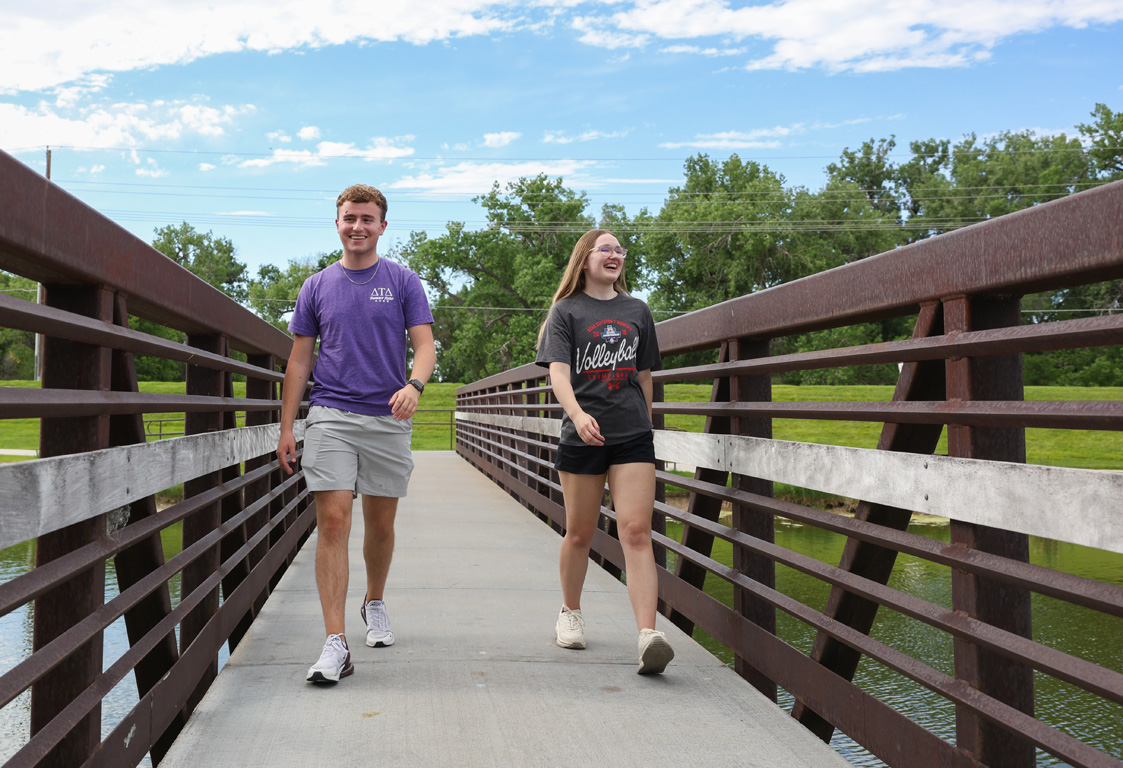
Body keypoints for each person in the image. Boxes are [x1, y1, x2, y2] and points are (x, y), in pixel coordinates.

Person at [276, 184, 435, 684]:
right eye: (350, 218)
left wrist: (415, 384)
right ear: (338, 223)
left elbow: (426, 346)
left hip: (388, 417)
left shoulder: (403, 281)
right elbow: (300, 358)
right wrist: (287, 426)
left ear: (382, 226)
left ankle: (375, 601)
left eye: (368, 219)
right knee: (335, 521)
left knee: (381, 526)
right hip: (331, 414)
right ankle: (335, 643)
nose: (358, 227)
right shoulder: (317, 286)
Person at [534, 228, 674, 675]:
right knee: (580, 531)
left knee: (636, 531)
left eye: (620, 250)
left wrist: (644, 424)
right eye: (605, 249)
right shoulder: (566, 311)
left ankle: (648, 636)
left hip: (632, 436)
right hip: (582, 435)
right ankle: (570, 613)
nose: (615, 255)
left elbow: (646, 375)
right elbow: (558, 374)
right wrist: (576, 415)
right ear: (585, 259)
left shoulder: (637, 310)